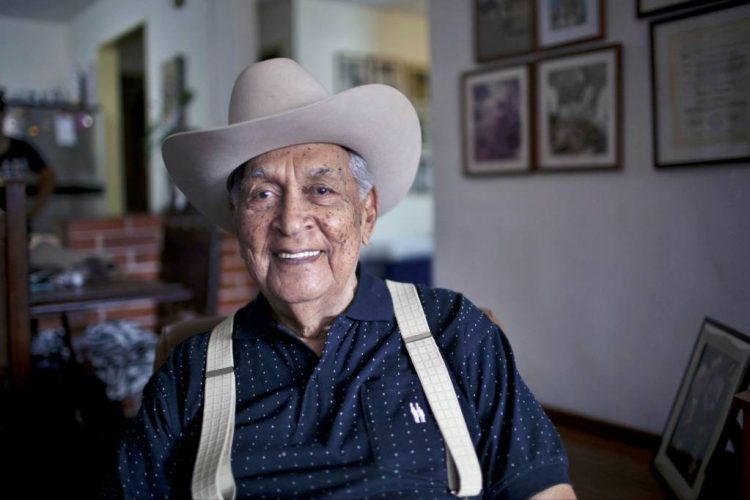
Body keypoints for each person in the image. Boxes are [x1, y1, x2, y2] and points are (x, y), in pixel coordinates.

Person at [114, 58, 575, 499]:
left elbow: (544, 489)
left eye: (321, 189)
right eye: (263, 194)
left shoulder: (454, 329)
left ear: (366, 213)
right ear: (237, 220)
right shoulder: (189, 372)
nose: (291, 221)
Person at [0, 91, 56, 219]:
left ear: (3, 116)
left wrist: (34, 211)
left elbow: (49, 177)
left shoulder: (22, 148)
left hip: (19, 225)